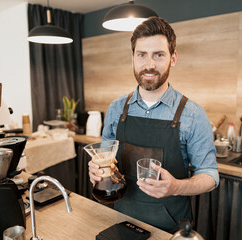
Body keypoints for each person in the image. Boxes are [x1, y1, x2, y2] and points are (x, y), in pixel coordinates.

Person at [88, 17, 218, 232]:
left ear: (173, 58)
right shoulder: (116, 109)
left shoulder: (193, 114)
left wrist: (176, 186)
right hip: (119, 219)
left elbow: (210, 176)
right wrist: (97, 170)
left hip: (169, 227)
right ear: (133, 58)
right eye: (141, 55)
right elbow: (106, 161)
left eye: (158, 55)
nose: (149, 65)